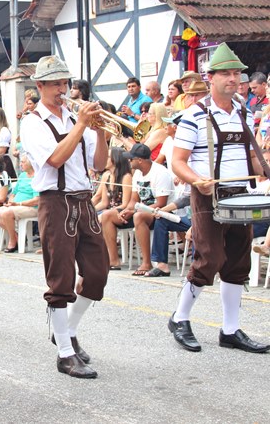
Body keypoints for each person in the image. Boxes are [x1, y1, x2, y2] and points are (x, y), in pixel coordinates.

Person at [169, 42, 270, 354]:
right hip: (207, 196)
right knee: (210, 258)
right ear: (210, 77)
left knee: (238, 261)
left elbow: (248, 155)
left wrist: (262, 171)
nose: (233, 78)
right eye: (225, 73)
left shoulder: (243, 109)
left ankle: (230, 329)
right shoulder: (192, 116)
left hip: (241, 194)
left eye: (236, 73)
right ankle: (180, 317)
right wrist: (197, 181)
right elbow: (178, 162)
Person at [20, 55, 109, 379]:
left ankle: (66, 330)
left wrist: (99, 132)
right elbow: (55, 159)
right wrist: (84, 124)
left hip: (83, 201)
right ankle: (64, 354)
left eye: (65, 83)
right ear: (40, 86)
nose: (62, 89)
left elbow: (99, 165)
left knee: (98, 272)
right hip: (55, 202)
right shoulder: (32, 123)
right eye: (56, 83)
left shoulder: (75, 118)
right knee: (60, 278)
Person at [101, 143, 173, 273]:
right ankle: (113, 260)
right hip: (142, 210)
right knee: (108, 215)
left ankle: (147, 263)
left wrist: (134, 211)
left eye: (131, 159)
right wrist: (127, 210)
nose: (128, 161)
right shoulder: (138, 174)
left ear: (140, 160)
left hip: (162, 212)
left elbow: (161, 203)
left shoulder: (160, 172)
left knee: (138, 216)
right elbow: (134, 199)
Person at [0, 155, 39, 252]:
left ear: (30, 163)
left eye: (23, 162)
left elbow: (36, 200)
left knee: (6, 213)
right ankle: (16, 236)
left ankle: (12, 241)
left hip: (31, 207)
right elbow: (13, 193)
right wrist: (11, 201)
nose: (20, 164)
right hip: (16, 205)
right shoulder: (22, 175)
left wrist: (18, 204)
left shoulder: (37, 177)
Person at [91, 147, 132, 214]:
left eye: (107, 157)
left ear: (116, 159)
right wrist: (90, 211)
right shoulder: (106, 175)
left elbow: (125, 204)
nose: (104, 159)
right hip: (108, 211)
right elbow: (104, 203)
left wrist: (106, 213)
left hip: (120, 212)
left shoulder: (126, 177)